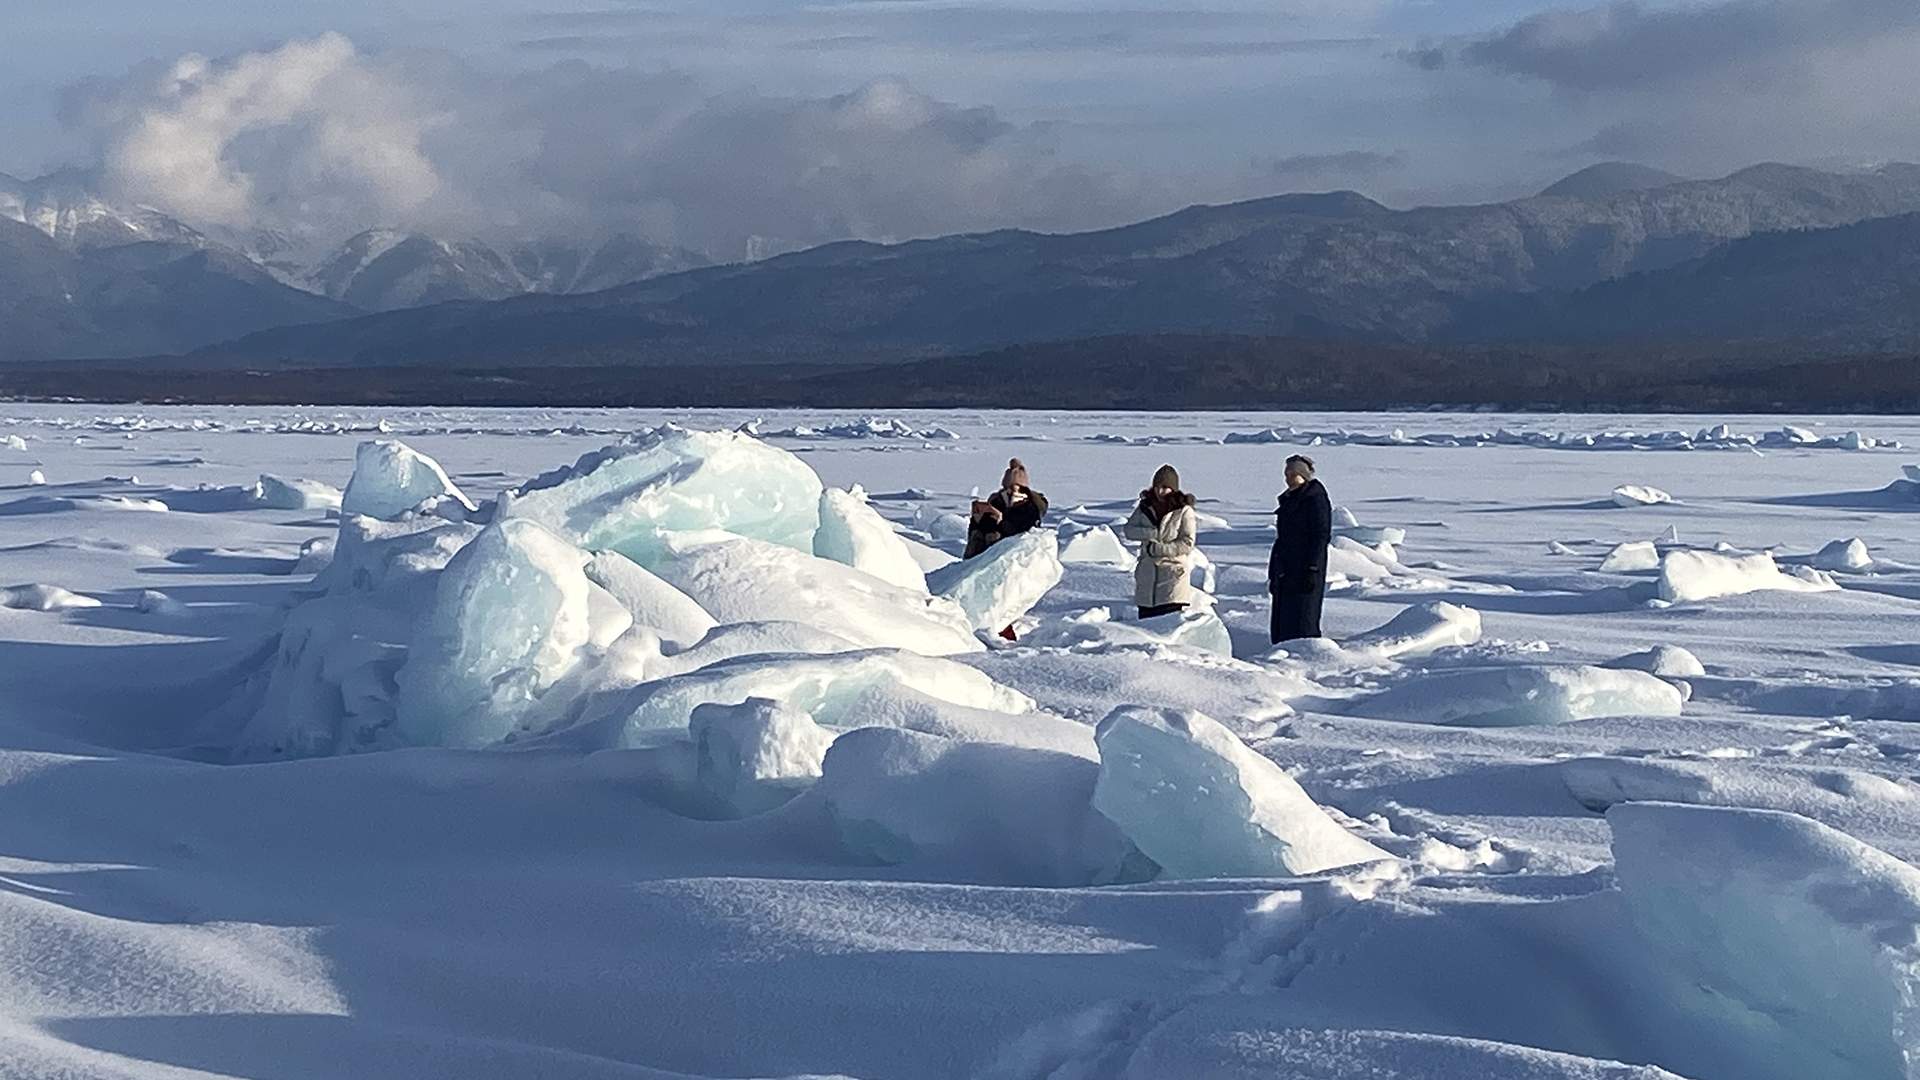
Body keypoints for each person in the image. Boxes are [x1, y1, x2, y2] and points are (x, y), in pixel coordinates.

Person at [1269, 454, 1332, 643]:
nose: (1288, 478)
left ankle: (1303, 656)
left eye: (1292, 474)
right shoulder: (1289, 500)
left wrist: (1312, 568)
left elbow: (1320, 536)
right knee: (1284, 619)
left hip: (1305, 568)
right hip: (1286, 568)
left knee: (1303, 618)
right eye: (1286, 474)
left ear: (1303, 476)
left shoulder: (1315, 500)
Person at [1122, 464, 1198, 619]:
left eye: (1165, 487)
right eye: (1157, 487)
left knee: (1167, 632)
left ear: (1173, 489)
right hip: (1147, 580)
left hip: (1172, 579)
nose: (1160, 491)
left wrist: (1160, 549)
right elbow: (1129, 530)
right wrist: (1152, 533)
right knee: (1146, 632)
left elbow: (1187, 543)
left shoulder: (1183, 511)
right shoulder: (1145, 507)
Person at [964, 458, 1048, 559]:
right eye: (1009, 488)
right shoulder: (997, 501)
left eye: (1017, 488)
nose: (1012, 492)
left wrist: (1001, 520)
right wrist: (977, 520)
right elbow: (982, 531)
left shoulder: (1030, 507)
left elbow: (1022, 534)